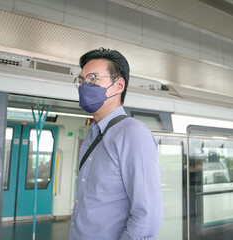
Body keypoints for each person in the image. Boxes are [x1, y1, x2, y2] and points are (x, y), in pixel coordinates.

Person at [69, 48, 163, 240]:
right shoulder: (92, 135)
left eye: (93, 78)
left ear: (119, 85)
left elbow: (147, 217)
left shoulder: (133, 133)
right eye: (81, 80)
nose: (84, 86)